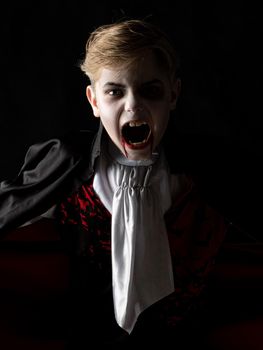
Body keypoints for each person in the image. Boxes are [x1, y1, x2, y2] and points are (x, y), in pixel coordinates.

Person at [0, 18, 228, 348]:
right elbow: (13, 212)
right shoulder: (67, 166)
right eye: (115, 92)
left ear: (173, 94)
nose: (133, 106)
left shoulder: (205, 170)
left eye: (150, 90)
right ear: (94, 101)